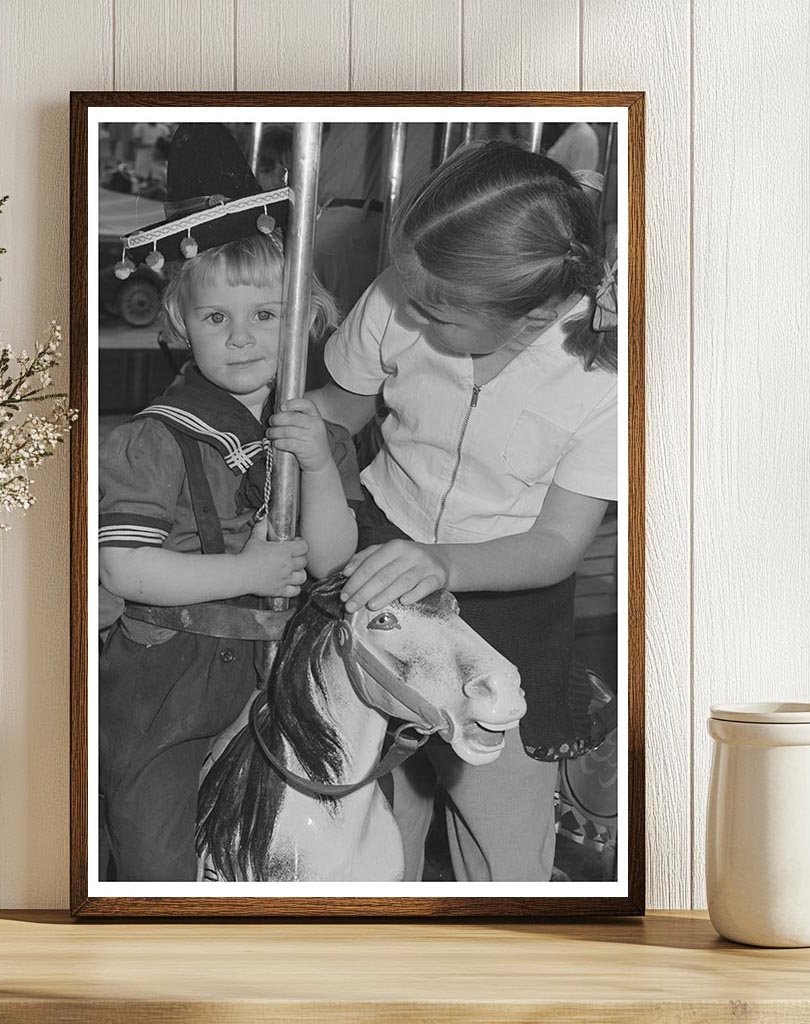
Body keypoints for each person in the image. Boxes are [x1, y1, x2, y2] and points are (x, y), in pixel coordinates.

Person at [310, 141, 618, 883]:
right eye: (406, 288)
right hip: (381, 556)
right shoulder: (403, 293)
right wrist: (259, 431)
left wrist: (444, 563)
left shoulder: (603, 380)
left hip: (506, 601)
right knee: (375, 817)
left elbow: (555, 544)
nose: (407, 312)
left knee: (501, 830)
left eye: (437, 311)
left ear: (536, 312)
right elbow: (342, 408)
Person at [98, 123, 361, 882]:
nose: (242, 338)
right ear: (180, 323)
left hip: (283, 675)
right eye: (217, 318)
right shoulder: (156, 440)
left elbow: (333, 557)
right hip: (171, 681)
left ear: (303, 319)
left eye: (265, 316)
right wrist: (244, 570)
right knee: (158, 847)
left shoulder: (316, 432)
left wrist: (314, 465)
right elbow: (125, 570)